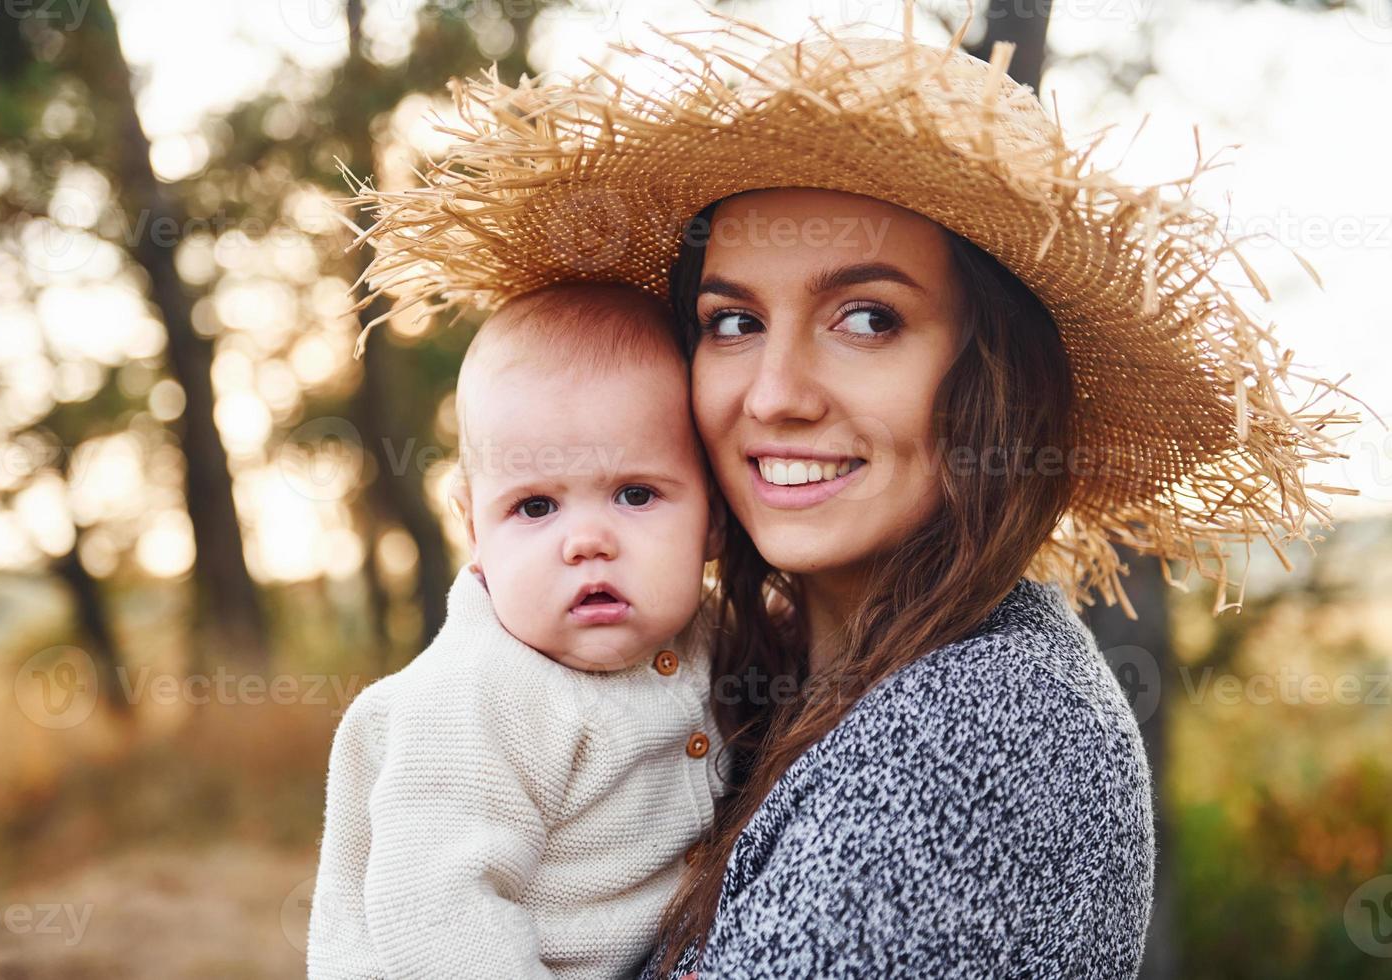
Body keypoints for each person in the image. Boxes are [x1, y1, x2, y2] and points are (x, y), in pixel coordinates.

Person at [344, 6, 1359, 977]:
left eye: (867, 317)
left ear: (989, 375)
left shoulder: (984, 735)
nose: (776, 395)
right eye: (733, 321)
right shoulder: (745, 673)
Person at [307, 281, 728, 979]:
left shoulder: (704, 632)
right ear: (473, 530)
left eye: (636, 494)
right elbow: (436, 913)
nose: (587, 541)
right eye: (536, 507)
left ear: (712, 518)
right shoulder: (475, 696)